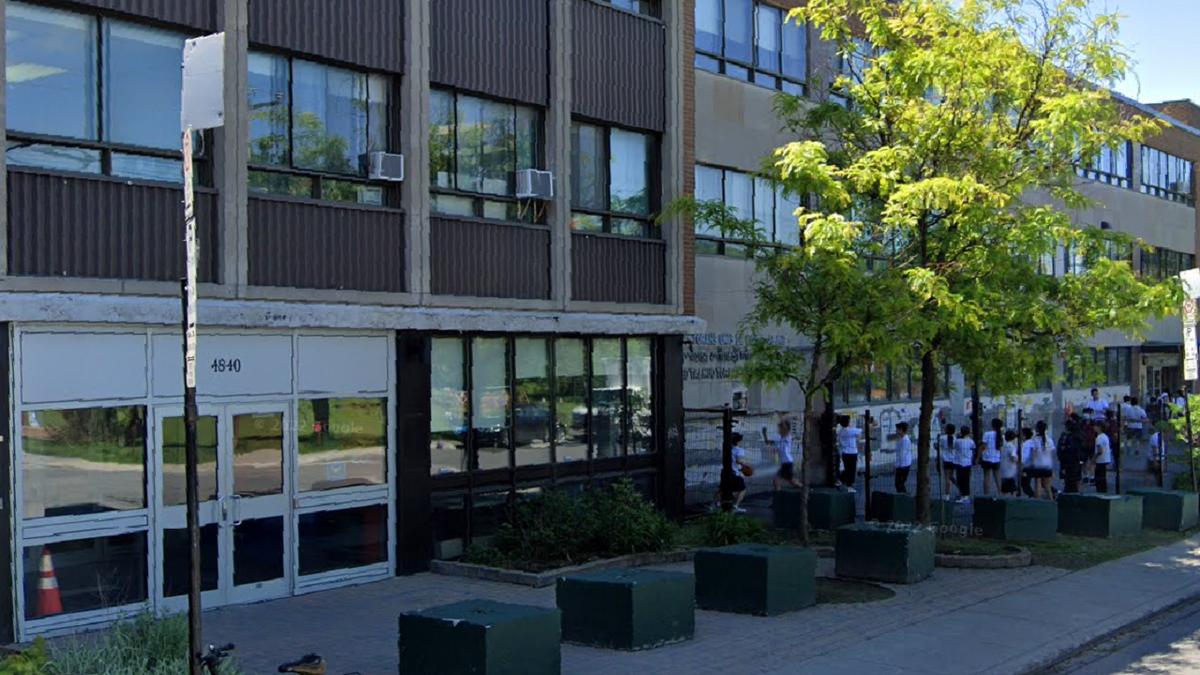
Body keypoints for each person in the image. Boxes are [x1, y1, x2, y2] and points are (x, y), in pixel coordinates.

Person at [766, 420, 802, 491]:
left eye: (781, 428)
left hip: (787, 462)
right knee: (787, 480)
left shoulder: (788, 437)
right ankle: (778, 493)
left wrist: (781, 416)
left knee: (784, 480)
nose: (779, 429)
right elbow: (768, 442)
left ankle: (804, 489)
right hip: (784, 463)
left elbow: (786, 428)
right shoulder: (778, 439)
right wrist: (764, 434)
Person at [1056, 415, 1086, 494]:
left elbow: (1063, 453)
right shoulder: (1079, 436)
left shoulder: (1066, 438)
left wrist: (1063, 465)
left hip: (1068, 464)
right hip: (1076, 463)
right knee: (1076, 482)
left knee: (1069, 484)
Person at [1030, 421, 1056, 499]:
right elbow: (1052, 454)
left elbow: (1033, 453)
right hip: (1047, 465)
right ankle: (1050, 501)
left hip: (1038, 464)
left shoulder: (1035, 440)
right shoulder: (1049, 440)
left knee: (1037, 483)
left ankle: (1038, 501)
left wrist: (1032, 462)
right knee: (1047, 485)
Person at [836, 415, 861, 494]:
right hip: (852, 453)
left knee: (847, 468)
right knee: (852, 470)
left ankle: (841, 479)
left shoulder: (840, 431)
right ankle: (849, 485)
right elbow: (861, 431)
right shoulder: (851, 431)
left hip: (844, 452)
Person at [980, 418, 1003, 496]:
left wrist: (980, 454)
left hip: (987, 458)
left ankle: (986, 494)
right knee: (997, 477)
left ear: (992, 425)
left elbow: (983, 445)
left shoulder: (987, 434)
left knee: (986, 476)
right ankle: (1000, 492)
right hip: (996, 458)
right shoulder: (1000, 435)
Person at [954, 426, 976, 504]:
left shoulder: (957, 441)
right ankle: (966, 494)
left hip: (959, 462)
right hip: (968, 462)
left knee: (960, 479)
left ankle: (963, 494)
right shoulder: (971, 441)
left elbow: (955, 448)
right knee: (966, 479)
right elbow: (973, 449)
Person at [1093, 420, 1113, 493]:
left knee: (1099, 478)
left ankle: (1100, 492)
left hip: (1101, 460)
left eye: (1095, 426)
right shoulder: (1105, 436)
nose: (1094, 428)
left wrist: (1093, 459)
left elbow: (1100, 451)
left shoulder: (1099, 438)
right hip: (1105, 459)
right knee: (1103, 477)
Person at [940, 423, 958, 501]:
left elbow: (938, 445)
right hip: (954, 460)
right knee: (951, 476)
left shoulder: (942, 438)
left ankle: (947, 494)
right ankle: (960, 487)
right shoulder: (955, 438)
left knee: (947, 478)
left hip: (946, 460)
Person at [894, 421, 913, 494]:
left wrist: (897, 465)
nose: (896, 430)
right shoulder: (900, 438)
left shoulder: (905, 440)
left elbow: (902, 454)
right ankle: (904, 495)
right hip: (901, 464)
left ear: (902, 430)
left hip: (903, 465)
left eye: (898, 429)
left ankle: (904, 497)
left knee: (900, 484)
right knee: (899, 484)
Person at [1000, 430, 1020, 496]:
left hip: (1004, 469)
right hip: (1010, 471)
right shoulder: (1012, 446)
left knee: (1007, 488)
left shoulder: (1003, 446)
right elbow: (1013, 458)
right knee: (1010, 489)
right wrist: (1018, 460)